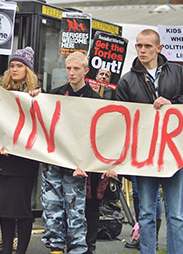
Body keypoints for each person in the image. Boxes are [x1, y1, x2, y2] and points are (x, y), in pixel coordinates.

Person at [115, 29, 183, 254]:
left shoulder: (178, 73)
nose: (142, 50)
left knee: (175, 213)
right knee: (146, 213)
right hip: (144, 155)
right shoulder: (127, 80)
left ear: (158, 48)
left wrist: (172, 103)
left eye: (147, 46)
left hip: (174, 154)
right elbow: (119, 116)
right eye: (139, 46)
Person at [41, 51, 104, 254]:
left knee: (76, 214)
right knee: (52, 211)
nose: (71, 73)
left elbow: (96, 136)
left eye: (76, 69)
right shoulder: (56, 94)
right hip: (54, 163)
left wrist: (85, 163)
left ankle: (77, 251)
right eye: (68, 68)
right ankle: (56, 250)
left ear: (86, 71)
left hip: (78, 167)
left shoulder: (95, 99)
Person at [0, 46, 41, 254]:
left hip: (22, 162)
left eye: (20, 65)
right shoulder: (0, 92)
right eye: (11, 66)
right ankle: (7, 249)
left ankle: (20, 251)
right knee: (4, 210)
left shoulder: (36, 95)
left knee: (21, 210)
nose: (15, 69)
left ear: (28, 70)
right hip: (1, 160)